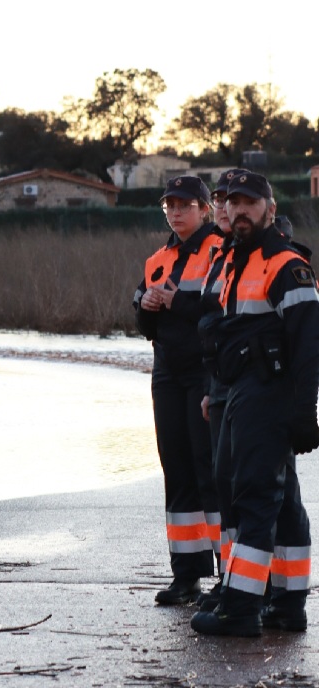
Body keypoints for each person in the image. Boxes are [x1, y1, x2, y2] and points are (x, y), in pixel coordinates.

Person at [191, 172, 319, 637]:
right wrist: (215, 388)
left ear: (270, 206)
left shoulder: (285, 265)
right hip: (240, 390)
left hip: (270, 394)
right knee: (270, 499)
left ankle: (241, 607)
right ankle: (286, 603)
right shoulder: (235, 261)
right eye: (231, 201)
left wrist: (307, 413)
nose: (238, 210)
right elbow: (224, 334)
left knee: (255, 496)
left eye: (249, 202)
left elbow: (308, 347)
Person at [134, 176, 223, 605]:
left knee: (210, 470)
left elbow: (221, 312)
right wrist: (145, 307)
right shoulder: (157, 258)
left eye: (185, 204)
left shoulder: (219, 251)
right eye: (170, 204)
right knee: (177, 470)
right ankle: (186, 574)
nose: (176, 211)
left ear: (204, 209)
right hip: (166, 372)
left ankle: (229, 575)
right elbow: (143, 323)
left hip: (206, 372)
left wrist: (174, 303)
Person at [195, 168, 248, 612]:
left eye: (234, 200)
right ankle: (232, 580)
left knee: (263, 492)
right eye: (220, 200)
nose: (225, 207)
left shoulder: (275, 256)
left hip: (258, 390)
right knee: (226, 482)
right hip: (223, 386)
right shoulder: (224, 257)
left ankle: (272, 594)